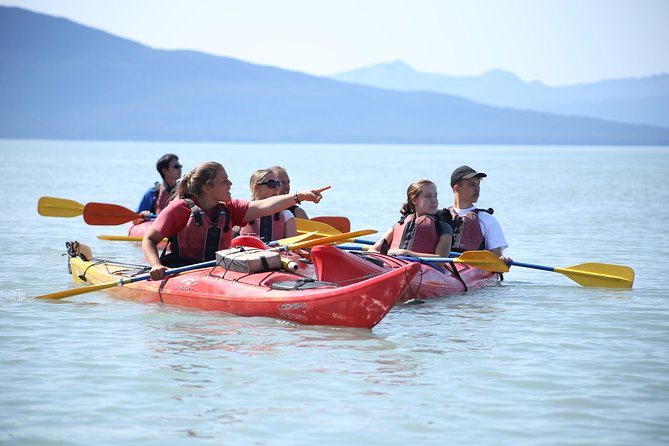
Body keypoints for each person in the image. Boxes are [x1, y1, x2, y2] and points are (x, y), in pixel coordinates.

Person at [142, 161, 328, 280]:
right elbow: (149, 240)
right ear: (208, 187)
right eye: (224, 181)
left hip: (217, 271)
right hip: (182, 271)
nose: (230, 184)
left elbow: (266, 206)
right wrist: (156, 265)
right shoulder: (179, 208)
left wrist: (299, 196)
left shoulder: (230, 209)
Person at [369, 180, 453, 259]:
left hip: (424, 269)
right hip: (393, 266)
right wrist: (385, 257)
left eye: (435, 196)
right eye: (428, 196)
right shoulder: (399, 225)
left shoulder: (443, 228)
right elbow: (372, 250)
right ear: (414, 200)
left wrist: (406, 253)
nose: (434, 200)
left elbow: (441, 260)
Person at [445, 165, 509, 260]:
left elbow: (498, 263)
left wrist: (503, 261)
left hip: (474, 270)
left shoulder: (488, 221)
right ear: (457, 188)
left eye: (478, 184)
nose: (477, 189)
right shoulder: (441, 217)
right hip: (444, 268)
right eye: (472, 184)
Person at [237, 168, 298, 243]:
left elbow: (294, 249)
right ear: (256, 188)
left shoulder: (287, 216)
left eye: (278, 184)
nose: (277, 188)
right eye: (271, 184)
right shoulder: (240, 214)